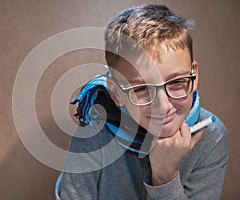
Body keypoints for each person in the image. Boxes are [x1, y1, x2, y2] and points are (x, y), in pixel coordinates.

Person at [55, 4, 229, 200]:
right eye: (140, 89)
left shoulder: (211, 136)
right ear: (116, 93)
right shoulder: (94, 133)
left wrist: (164, 176)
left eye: (177, 82)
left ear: (194, 75)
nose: (163, 107)